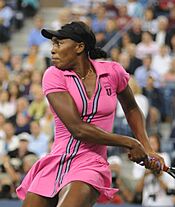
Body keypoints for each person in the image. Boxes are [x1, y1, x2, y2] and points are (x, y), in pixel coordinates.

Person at [16, 21, 165, 207]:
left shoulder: (113, 72)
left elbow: (132, 108)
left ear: (79, 47)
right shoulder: (53, 75)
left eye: (59, 43)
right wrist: (129, 142)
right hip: (57, 159)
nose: (53, 50)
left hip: (91, 163)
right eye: (53, 44)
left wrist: (148, 148)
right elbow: (77, 129)